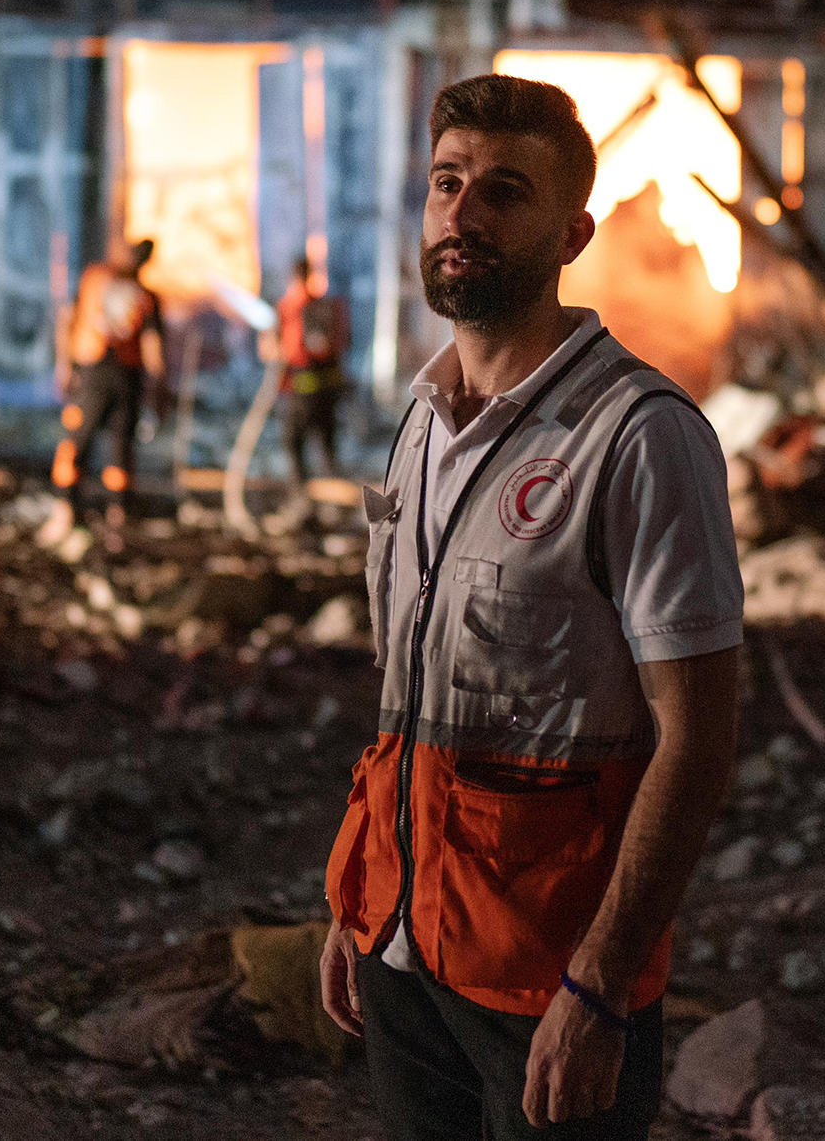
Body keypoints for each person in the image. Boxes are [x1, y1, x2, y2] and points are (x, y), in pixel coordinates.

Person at [319, 75, 745, 1140]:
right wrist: (362, 896)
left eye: (502, 191)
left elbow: (696, 739)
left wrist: (600, 986)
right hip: (406, 957)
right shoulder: (422, 421)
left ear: (571, 233)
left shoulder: (639, 436)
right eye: (446, 183)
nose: (462, 214)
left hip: (549, 976)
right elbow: (409, 691)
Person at [39, 240, 164, 547]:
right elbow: (70, 318)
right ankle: (74, 512)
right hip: (102, 373)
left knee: (110, 446)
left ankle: (108, 519)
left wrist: (64, 365)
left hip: (112, 375)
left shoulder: (110, 284)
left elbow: (68, 319)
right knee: (86, 443)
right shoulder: (100, 281)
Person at [272, 254, 353, 484]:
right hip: (327, 389)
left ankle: (302, 491)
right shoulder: (324, 306)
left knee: (294, 440)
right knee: (326, 439)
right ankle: (329, 487)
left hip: (303, 386)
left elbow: (284, 349)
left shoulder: (292, 306)